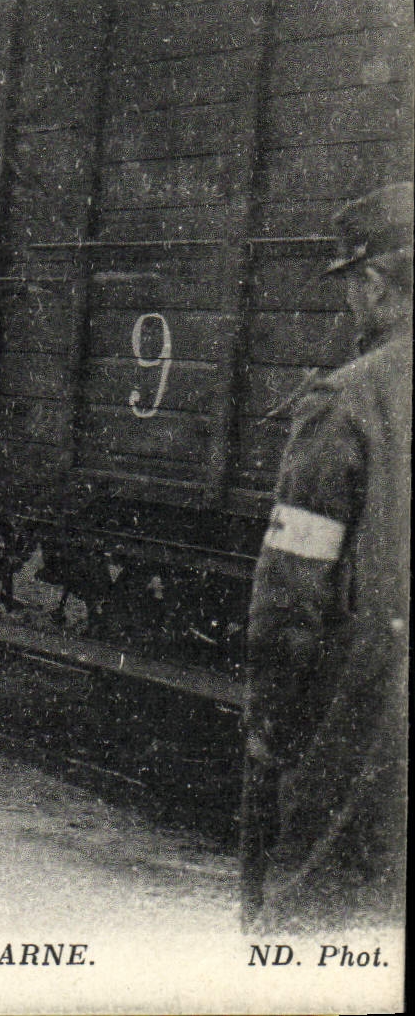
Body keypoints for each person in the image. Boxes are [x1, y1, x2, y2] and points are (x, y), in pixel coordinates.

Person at [240, 181, 410, 933]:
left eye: (351, 286)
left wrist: (269, 725)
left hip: (361, 733)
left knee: (305, 927)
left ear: (375, 284)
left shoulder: (343, 405)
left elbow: (287, 602)